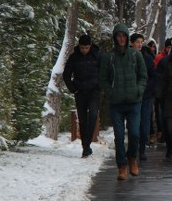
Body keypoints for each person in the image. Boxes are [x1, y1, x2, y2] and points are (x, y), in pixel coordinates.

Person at [100, 24, 147, 180]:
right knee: (119, 136)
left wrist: (139, 90)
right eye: (118, 36)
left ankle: (132, 158)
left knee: (134, 133)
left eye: (123, 36)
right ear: (115, 38)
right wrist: (110, 93)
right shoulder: (109, 57)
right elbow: (103, 79)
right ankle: (121, 165)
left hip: (134, 102)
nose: (121, 39)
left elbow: (143, 76)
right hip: (117, 103)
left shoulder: (135, 55)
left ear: (127, 38)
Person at [62, 34, 101, 158]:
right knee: (83, 120)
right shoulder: (74, 57)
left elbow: (105, 71)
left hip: (94, 91)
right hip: (80, 91)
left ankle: (87, 143)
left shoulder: (98, 55)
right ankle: (86, 147)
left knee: (93, 115)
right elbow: (66, 74)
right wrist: (73, 89)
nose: (84, 50)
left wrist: (100, 86)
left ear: (90, 46)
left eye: (86, 47)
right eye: (82, 47)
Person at [131, 33, 156, 161]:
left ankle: (142, 148)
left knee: (144, 121)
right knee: (133, 122)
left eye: (141, 42)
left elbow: (153, 76)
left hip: (146, 95)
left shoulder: (147, 58)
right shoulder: (127, 57)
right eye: (137, 42)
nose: (139, 44)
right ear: (132, 43)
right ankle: (133, 148)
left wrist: (147, 88)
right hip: (131, 95)